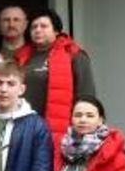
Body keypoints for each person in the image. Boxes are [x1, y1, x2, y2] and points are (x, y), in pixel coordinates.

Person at [16, 10, 96, 141]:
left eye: (44, 26)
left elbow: (86, 95)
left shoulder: (73, 54)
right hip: (25, 129)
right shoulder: (22, 57)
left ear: (56, 31)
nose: (37, 30)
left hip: (60, 131)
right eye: (34, 27)